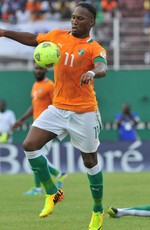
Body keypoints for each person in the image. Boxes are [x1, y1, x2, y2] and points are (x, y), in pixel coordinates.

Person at [0, 2, 107, 230]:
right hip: (58, 108)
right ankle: (52, 192)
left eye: (80, 18)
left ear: (91, 22)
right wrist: (5, 32)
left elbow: (102, 67)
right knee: (29, 145)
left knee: (90, 161)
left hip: (84, 112)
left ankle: (98, 210)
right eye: (74, 17)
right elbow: (33, 39)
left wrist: (92, 72)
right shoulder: (57, 36)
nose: (75, 21)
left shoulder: (93, 47)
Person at [12, 63, 68, 195]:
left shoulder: (50, 85)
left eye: (40, 68)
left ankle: (57, 175)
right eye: (36, 68)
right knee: (34, 155)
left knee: (36, 155)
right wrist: (21, 120)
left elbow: (57, 103)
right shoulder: (35, 86)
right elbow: (34, 106)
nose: (38, 70)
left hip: (47, 126)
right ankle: (50, 180)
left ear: (46, 70)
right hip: (37, 125)